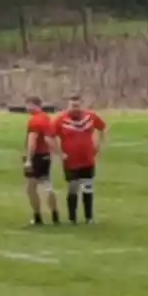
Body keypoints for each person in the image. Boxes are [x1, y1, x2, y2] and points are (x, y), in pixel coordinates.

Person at [50, 95, 108, 224]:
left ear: (82, 105)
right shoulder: (60, 120)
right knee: (73, 188)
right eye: (72, 106)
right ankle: (72, 218)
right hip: (71, 161)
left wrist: (99, 144)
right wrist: (59, 153)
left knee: (88, 187)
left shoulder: (90, 117)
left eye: (77, 106)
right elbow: (50, 137)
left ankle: (89, 217)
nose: (75, 109)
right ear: (68, 106)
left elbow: (103, 128)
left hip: (88, 159)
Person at [22, 96, 59, 225]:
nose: (27, 109)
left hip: (37, 157)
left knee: (31, 188)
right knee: (48, 186)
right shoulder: (47, 118)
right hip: (46, 156)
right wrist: (57, 153)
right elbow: (50, 139)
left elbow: (32, 141)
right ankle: (55, 216)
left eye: (28, 105)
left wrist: (29, 159)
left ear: (33, 105)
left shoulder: (34, 121)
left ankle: (37, 217)